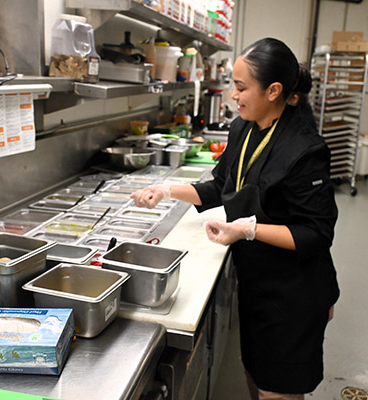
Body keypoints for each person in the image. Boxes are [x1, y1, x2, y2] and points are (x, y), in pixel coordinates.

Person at [131, 37, 339, 400]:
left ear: (273, 90)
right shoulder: (243, 128)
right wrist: (166, 191)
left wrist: (248, 229)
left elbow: (315, 234)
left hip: (294, 292)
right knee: (255, 375)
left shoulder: (305, 150)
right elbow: (220, 186)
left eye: (241, 87)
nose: (232, 95)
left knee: (278, 391)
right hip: (256, 281)